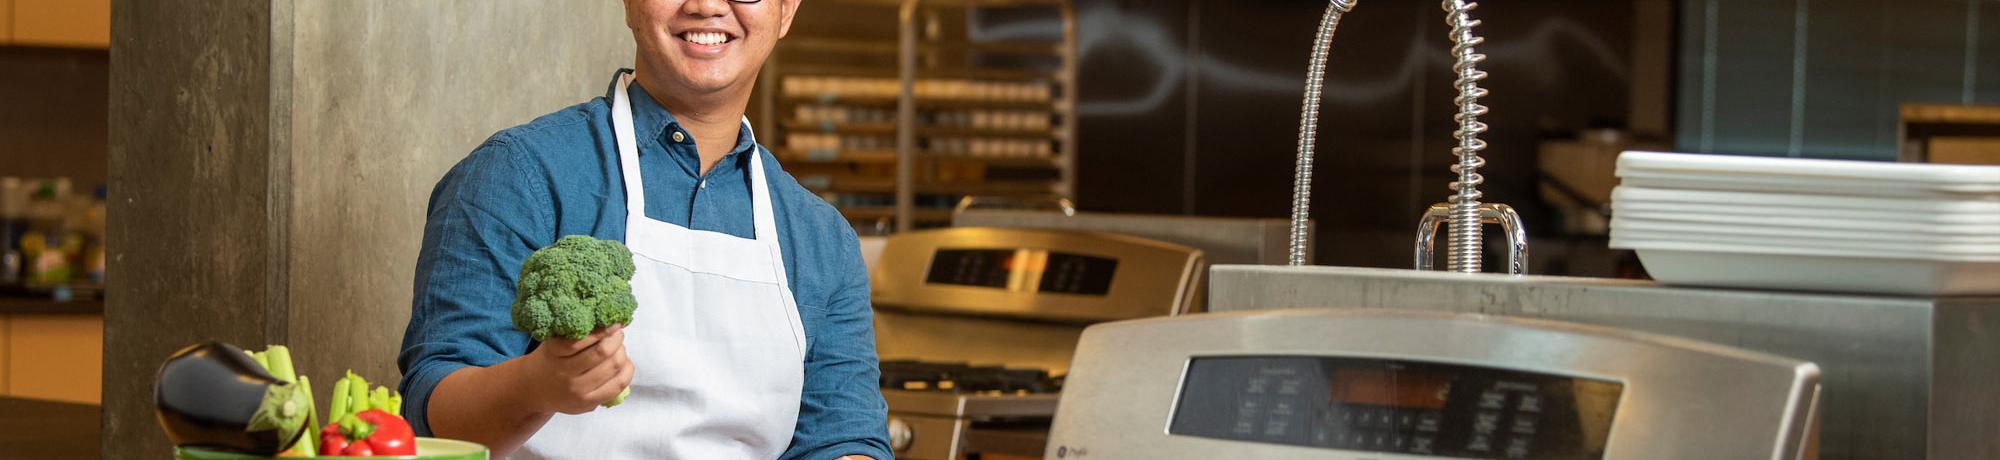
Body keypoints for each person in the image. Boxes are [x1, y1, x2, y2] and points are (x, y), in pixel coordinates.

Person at [396, 0, 888, 458]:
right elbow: (432, 418)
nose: (708, 5)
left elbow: (842, 438)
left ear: (786, 12)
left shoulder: (822, 238)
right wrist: (535, 386)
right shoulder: (520, 175)